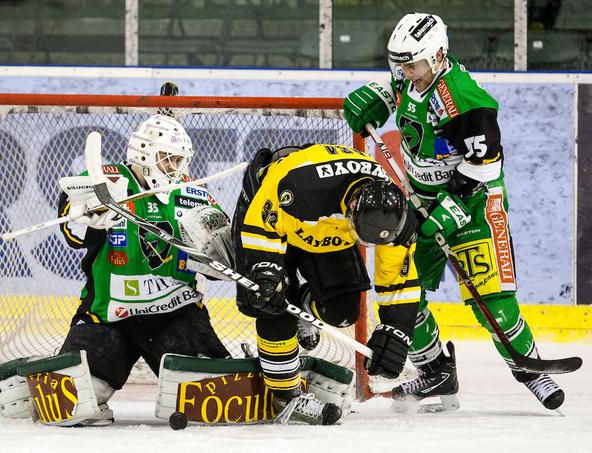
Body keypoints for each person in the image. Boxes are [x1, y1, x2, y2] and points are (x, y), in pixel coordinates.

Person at [343, 13, 565, 411]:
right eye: (401, 65)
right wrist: (369, 102)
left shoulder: (461, 97)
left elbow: (485, 166)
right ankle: (436, 372)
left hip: (475, 202)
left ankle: (531, 370)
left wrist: (447, 211)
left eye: (413, 64)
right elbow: (389, 89)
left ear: (439, 54)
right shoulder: (410, 76)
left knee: (492, 303)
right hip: (420, 200)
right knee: (402, 293)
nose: (406, 73)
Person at [50, 114, 231, 424]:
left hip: (176, 314)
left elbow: (221, 259)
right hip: (107, 315)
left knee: (211, 402)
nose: (175, 167)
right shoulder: (110, 180)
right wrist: (88, 215)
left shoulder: (192, 193)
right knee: (71, 403)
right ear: (144, 154)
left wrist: (220, 255)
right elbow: (71, 224)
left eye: (179, 160)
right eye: (167, 158)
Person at [232, 143, 421, 425]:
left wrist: (397, 329)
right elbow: (262, 227)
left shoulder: (396, 216)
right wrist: (266, 272)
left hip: (325, 228)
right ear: (354, 205)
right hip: (271, 215)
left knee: (343, 309)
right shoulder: (297, 185)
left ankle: (302, 312)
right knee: (270, 302)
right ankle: (286, 396)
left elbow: (399, 280)